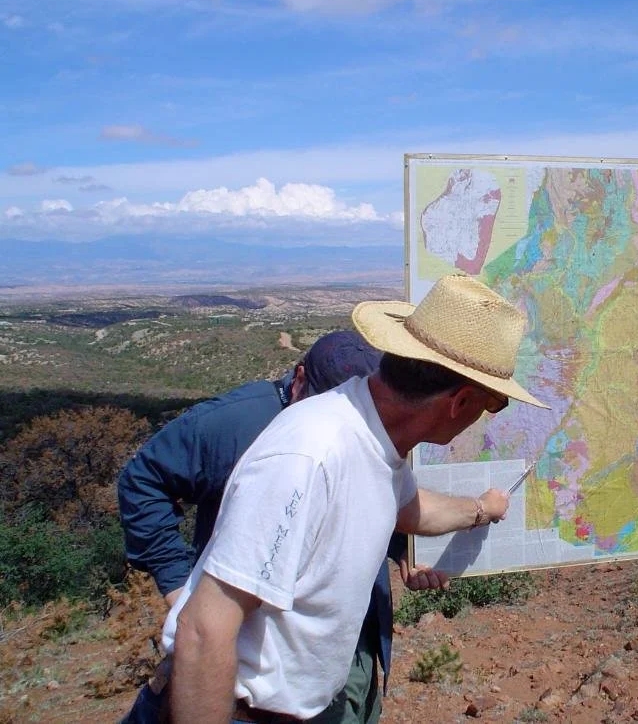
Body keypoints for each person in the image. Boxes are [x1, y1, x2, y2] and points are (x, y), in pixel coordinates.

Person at [163, 274, 548, 722]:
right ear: (459, 402)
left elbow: (409, 508)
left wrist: (481, 510)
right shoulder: (309, 455)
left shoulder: (374, 437)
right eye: (493, 403)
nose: (487, 416)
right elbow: (204, 628)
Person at [118, 330, 445, 724]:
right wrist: (176, 583)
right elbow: (144, 478)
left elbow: (368, 498)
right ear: (299, 376)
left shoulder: (365, 424)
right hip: (243, 659)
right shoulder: (238, 424)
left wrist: (402, 550)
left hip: (333, 635)